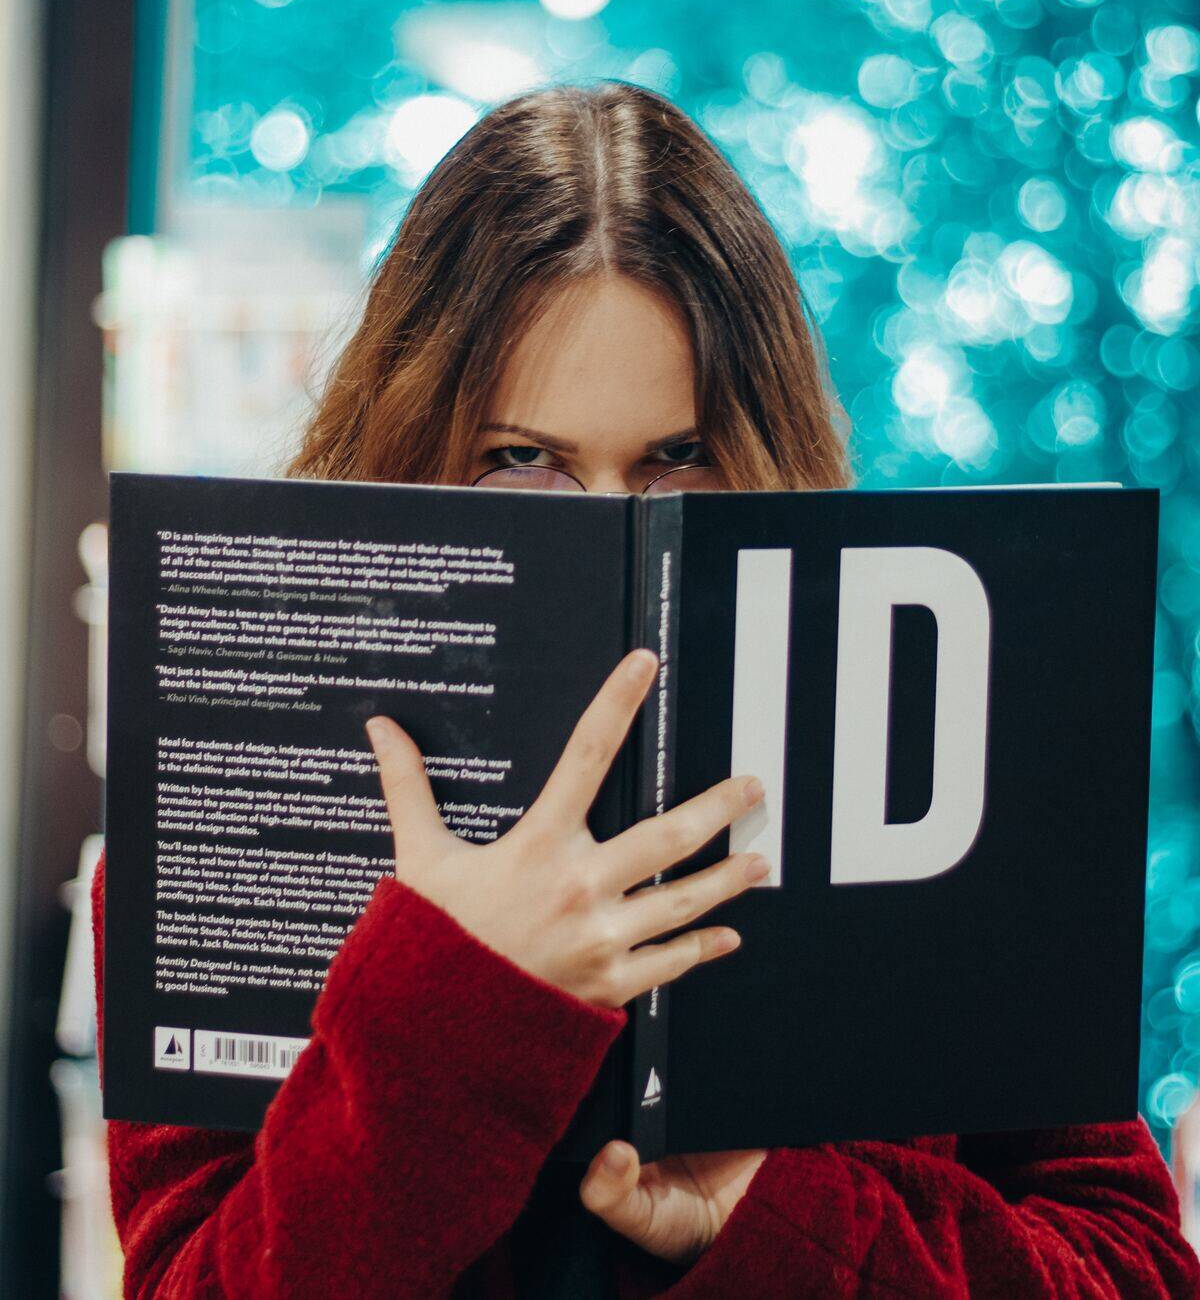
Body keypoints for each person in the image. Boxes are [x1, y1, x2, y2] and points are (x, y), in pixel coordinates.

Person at [91, 81, 1200, 1297]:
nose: (610, 533)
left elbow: (1134, 1270)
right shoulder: (221, 821)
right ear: (407, 452)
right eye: (521, 459)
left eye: (681, 458)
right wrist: (459, 998)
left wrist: (783, 1215)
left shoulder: (946, 767)